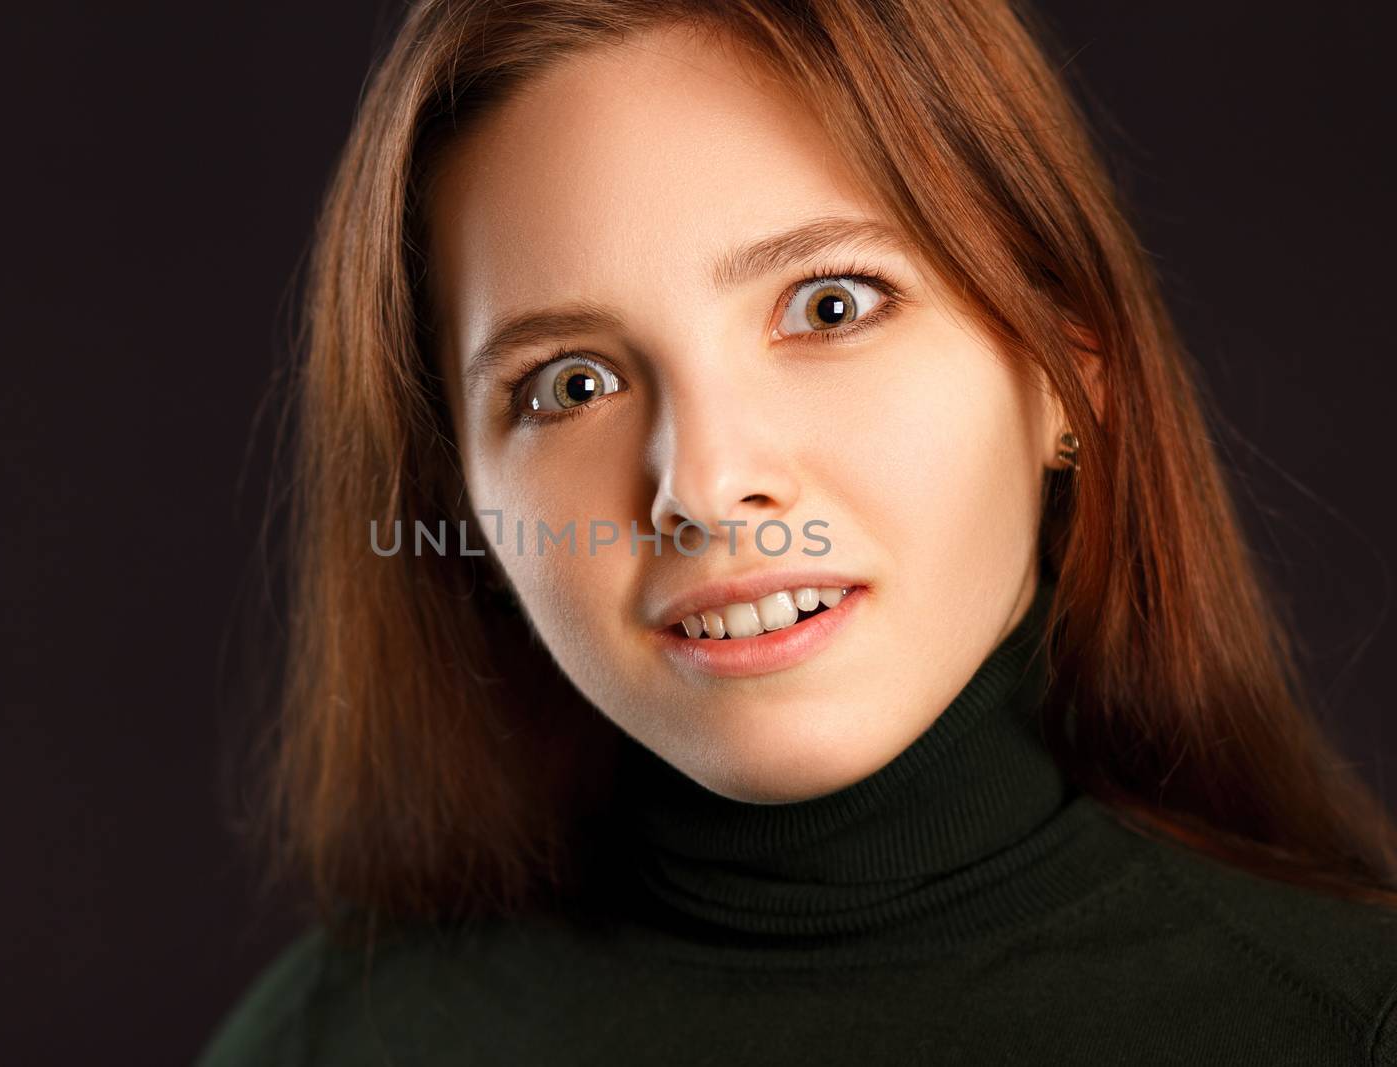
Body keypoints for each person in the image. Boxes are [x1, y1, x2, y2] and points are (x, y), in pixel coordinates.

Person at [199, 1, 1397, 1063]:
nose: (709, 486)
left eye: (831, 304)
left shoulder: (1342, 1022)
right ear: (462, 501)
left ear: (1063, 374)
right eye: (568, 384)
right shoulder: (328, 1039)